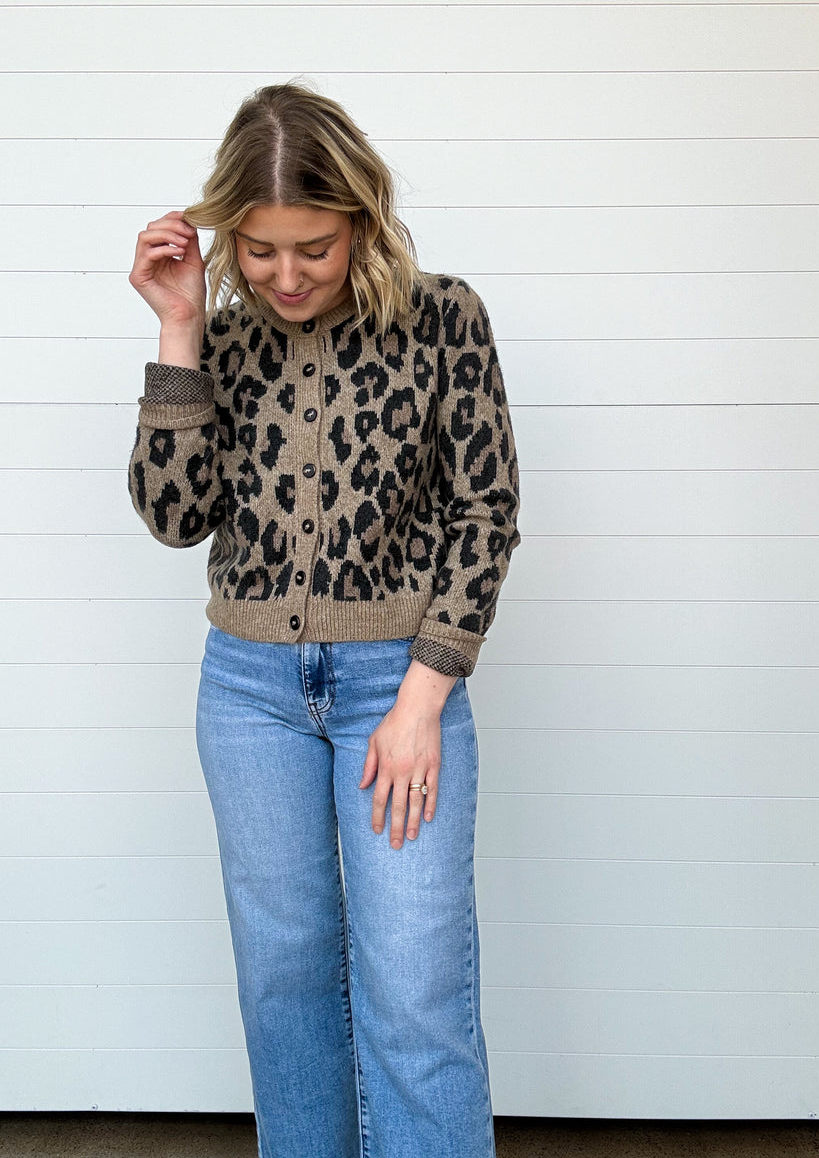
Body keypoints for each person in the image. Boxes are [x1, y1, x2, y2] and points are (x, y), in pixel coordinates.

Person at [126, 81, 521, 1158]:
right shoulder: (223, 339)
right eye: (259, 251)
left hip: (399, 684)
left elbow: (486, 514)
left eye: (314, 247)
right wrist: (178, 331)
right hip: (249, 695)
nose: (287, 276)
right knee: (284, 983)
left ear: (361, 218)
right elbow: (175, 517)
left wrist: (423, 698)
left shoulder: (443, 319)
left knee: (417, 988)